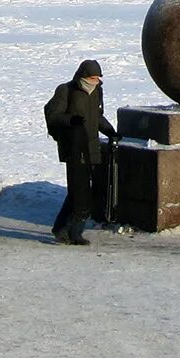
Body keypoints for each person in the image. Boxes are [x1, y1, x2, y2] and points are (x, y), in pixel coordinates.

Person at [43, 58, 116, 245]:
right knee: (80, 192)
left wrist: (109, 131)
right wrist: (71, 120)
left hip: (91, 147)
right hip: (74, 147)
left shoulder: (97, 91)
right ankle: (75, 232)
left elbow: (97, 116)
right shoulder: (65, 90)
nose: (95, 81)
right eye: (92, 78)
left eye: (98, 78)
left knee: (78, 191)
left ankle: (61, 228)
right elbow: (53, 115)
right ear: (82, 76)